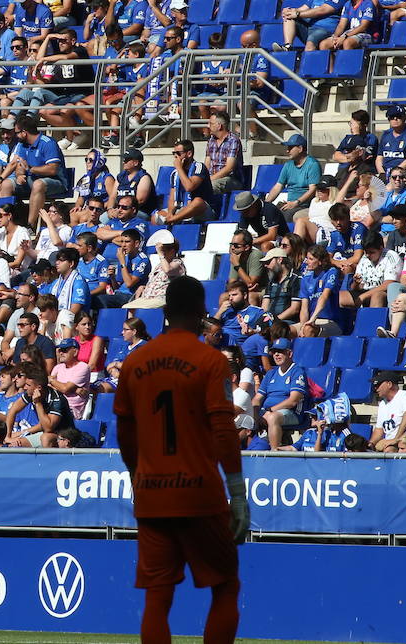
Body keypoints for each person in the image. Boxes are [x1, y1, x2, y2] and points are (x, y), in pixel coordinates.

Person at [114, 276, 247, 644]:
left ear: (165, 311)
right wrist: (237, 492)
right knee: (225, 586)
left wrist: (138, 474)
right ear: (202, 312)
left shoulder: (135, 361)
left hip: (153, 493)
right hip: (199, 493)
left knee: (158, 598)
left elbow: (124, 431)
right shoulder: (211, 361)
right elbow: (223, 430)